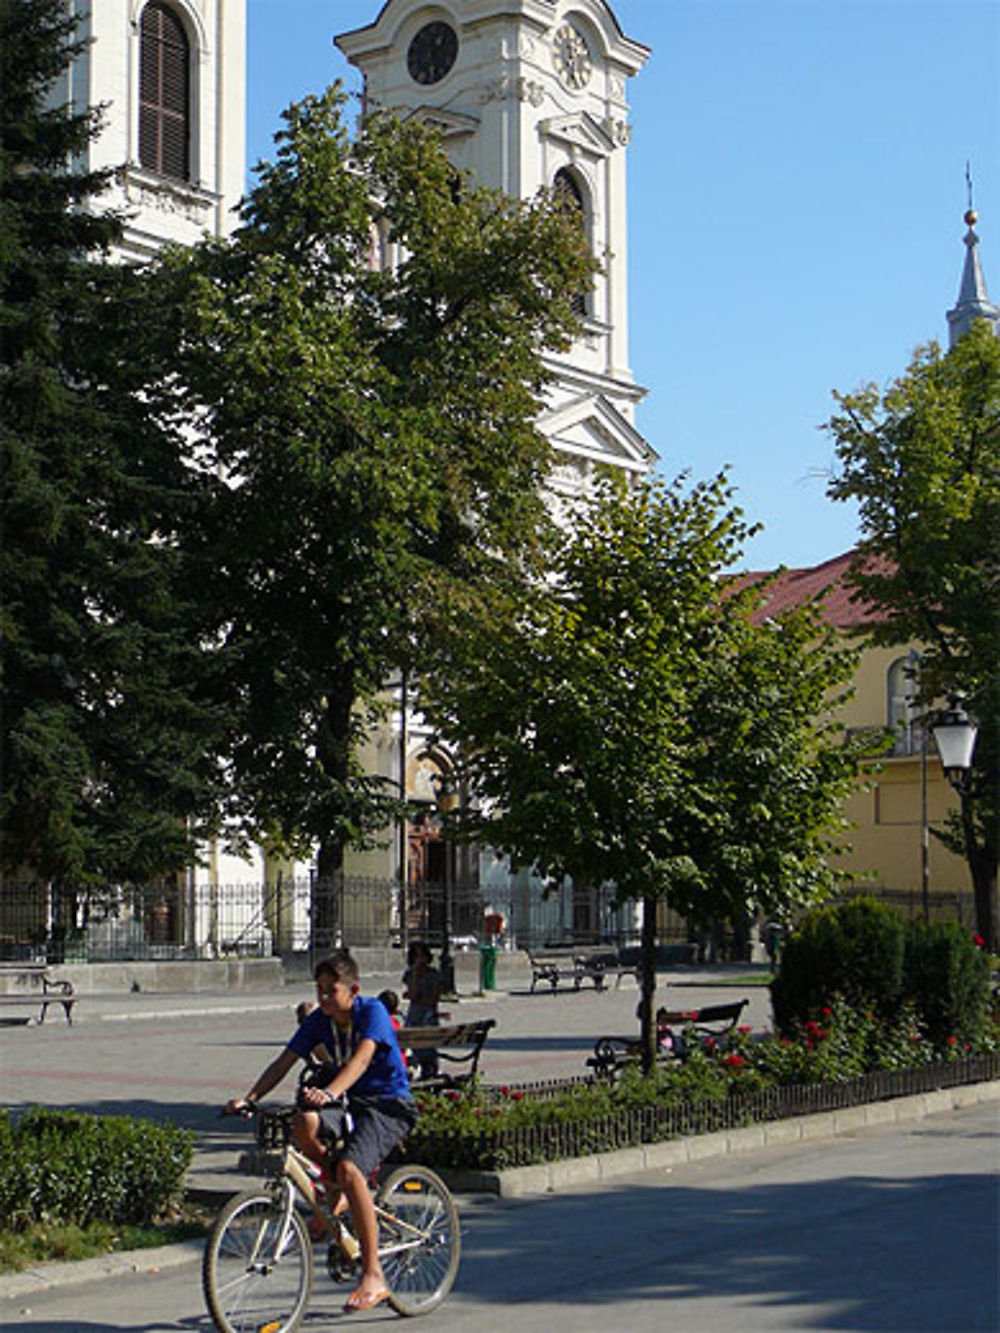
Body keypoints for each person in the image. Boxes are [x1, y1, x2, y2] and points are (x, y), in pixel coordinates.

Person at [227, 950, 417, 1314]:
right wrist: (249, 1098)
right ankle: (335, 1192)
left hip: (387, 1105)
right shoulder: (320, 1021)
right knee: (304, 1122)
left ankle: (373, 1274)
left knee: (350, 1170)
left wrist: (330, 1093)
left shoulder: (371, 1012)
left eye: (332, 990)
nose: (324, 997)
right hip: (350, 1101)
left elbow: (361, 1060)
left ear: (353, 989)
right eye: (320, 989)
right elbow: (284, 1061)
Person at [402, 941, 441, 1080]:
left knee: (425, 1045)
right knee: (409, 1041)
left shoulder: (433, 974)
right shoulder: (409, 974)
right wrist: (414, 974)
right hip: (414, 1016)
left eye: (422, 955)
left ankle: (429, 1069)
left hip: (428, 1017)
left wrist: (416, 998)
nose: (420, 959)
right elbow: (412, 995)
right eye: (416, 956)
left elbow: (432, 999)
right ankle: (414, 1069)